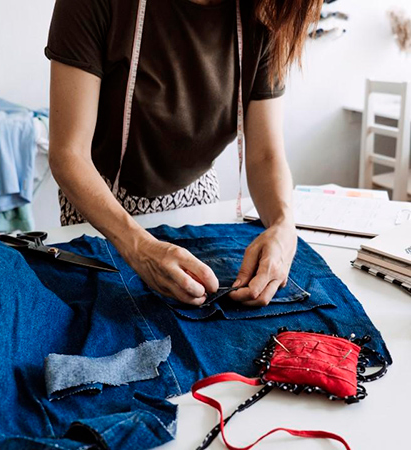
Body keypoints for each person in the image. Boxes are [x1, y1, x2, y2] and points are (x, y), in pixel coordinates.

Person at [44, 0, 322, 307]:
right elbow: (69, 154)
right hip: (100, 206)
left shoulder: (265, 14)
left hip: (196, 198)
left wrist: (283, 225)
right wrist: (138, 247)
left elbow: (265, 155)